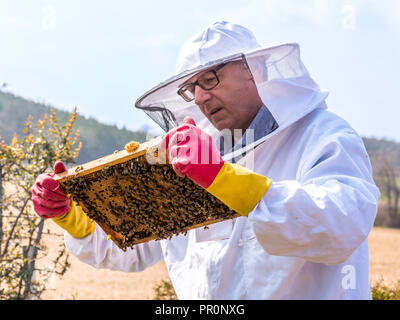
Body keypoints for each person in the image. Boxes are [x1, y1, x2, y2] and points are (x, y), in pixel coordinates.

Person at [32, 21, 380, 299]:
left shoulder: (323, 135)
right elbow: (133, 248)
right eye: (190, 88)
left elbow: (341, 226)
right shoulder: (191, 158)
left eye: (210, 78)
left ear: (253, 69)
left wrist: (223, 179)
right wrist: (72, 216)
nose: (199, 97)